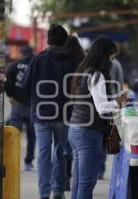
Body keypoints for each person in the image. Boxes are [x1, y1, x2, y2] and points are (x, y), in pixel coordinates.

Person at [21, 24, 78, 199]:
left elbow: (24, 84)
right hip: (62, 114)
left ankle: (44, 193)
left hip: (40, 114)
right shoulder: (71, 61)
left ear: (49, 40)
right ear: (64, 41)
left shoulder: (37, 59)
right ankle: (58, 192)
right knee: (60, 153)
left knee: (43, 153)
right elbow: (75, 88)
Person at [69, 38, 127, 199]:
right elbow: (101, 107)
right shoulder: (97, 75)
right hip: (88, 132)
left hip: (75, 129)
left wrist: (114, 99)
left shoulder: (84, 70)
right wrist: (117, 102)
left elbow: (95, 100)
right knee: (86, 183)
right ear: (104, 56)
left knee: (79, 181)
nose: (112, 61)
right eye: (111, 57)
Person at [5, 45, 36, 171]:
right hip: (32, 105)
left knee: (13, 135)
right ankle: (28, 162)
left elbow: (6, 80)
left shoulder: (14, 65)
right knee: (31, 136)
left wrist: (10, 95)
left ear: (21, 53)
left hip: (17, 103)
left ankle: (12, 161)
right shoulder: (36, 65)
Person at [63, 35, 85, 190]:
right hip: (79, 108)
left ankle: (66, 178)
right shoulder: (82, 62)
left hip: (63, 106)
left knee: (65, 146)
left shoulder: (62, 61)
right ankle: (74, 179)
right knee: (76, 148)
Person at [98, 58, 124, 180]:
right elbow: (119, 84)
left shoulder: (94, 64)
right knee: (105, 135)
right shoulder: (117, 64)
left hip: (97, 103)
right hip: (111, 102)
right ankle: (100, 170)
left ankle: (96, 168)